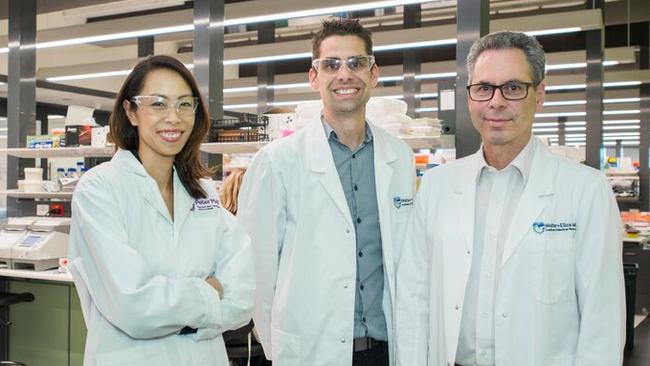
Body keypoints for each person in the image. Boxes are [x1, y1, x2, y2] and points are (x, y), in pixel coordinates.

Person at [395, 30, 625, 366]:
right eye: (484, 88)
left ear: (540, 94)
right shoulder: (436, 186)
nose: (496, 102)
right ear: (470, 95)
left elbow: (602, 317)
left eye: (513, 88)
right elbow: (414, 299)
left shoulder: (587, 189)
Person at [238, 18, 416, 366]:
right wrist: (278, 348)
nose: (344, 74)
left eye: (356, 63)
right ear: (313, 77)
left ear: (373, 73)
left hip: (385, 347)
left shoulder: (400, 157)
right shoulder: (278, 162)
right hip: (309, 348)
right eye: (331, 65)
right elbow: (256, 268)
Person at [67, 55, 255, 366]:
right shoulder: (99, 189)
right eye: (158, 104)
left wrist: (172, 303)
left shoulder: (203, 192)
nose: (174, 117)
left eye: (184, 104)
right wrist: (209, 293)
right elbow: (133, 306)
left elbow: (243, 294)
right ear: (131, 112)